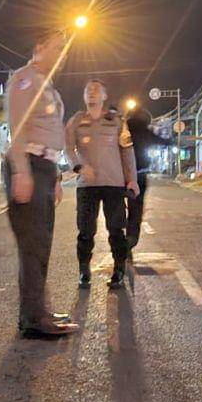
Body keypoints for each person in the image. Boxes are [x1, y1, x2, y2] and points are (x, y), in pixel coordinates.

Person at [5, 28, 79, 339]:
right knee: (32, 246)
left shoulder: (47, 86)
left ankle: (38, 311)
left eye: (65, 51)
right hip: (30, 164)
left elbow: (53, 137)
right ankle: (33, 318)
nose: (62, 56)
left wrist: (57, 177)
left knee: (42, 244)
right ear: (39, 48)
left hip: (45, 168)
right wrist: (21, 171)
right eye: (57, 48)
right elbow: (18, 126)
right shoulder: (25, 79)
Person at [64, 79, 139, 290]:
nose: (92, 92)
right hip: (86, 186)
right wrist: (79, 167)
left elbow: (127, 151)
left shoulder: (116, 121)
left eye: (97, 90)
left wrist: (132, 179)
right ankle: (84, 271)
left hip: (114, 184)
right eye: (88, 90)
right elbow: (68, 148)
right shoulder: (76, 121)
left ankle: (119, 271)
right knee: (85, 231)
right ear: (84, 96)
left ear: (104, 96)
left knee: (116, 230)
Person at [124, 108, 173, 256]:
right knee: (136, 210)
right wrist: (170, 138)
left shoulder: (123, 129)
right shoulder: (145, 130)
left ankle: (118, 240)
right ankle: (130, 240)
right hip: (139, 175)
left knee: (116, 209)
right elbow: (163, 142)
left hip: (120, 176)